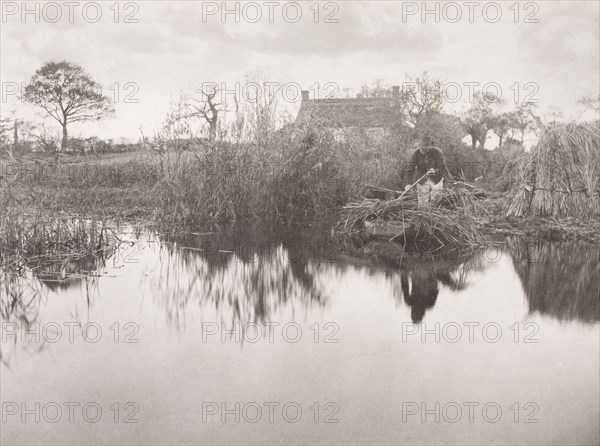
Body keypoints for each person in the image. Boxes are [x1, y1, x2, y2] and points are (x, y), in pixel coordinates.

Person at [405, 136, 450, 206]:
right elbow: (410, 170)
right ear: (419, 147)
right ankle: (424, 214)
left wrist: (435, 171)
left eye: (425, 149)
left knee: (436, 201)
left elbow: (442, 168)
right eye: (421, 148)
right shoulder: (415, 154)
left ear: (430, 147)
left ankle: (436, 213)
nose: (423, 150)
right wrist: (408, 184)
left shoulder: (438, 152)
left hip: (436, 179)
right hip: (422, 180)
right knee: (422, 203)